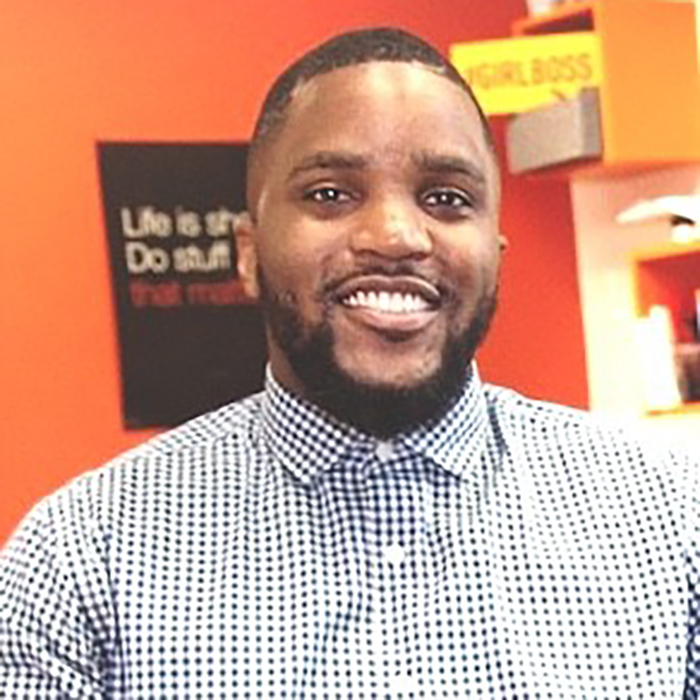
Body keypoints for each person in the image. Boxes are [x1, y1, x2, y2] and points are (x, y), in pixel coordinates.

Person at [1, 27, 698, 699]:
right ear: (248, 253)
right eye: (330, 194)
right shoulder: (81, 561)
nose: (395, 235)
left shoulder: (671, 520)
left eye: (446, 198)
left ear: (495, 252)